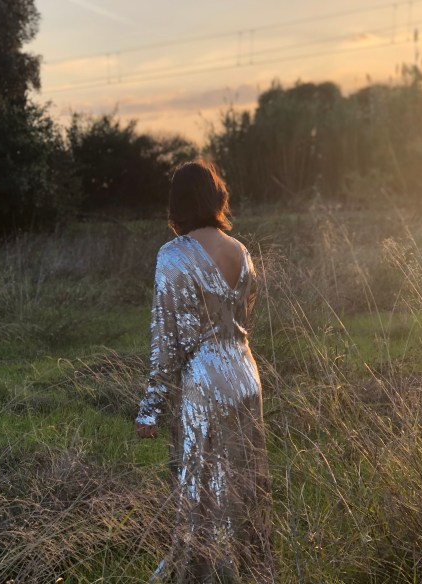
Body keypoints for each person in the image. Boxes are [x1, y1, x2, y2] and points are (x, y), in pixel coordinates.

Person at [135, 159, 275, 583]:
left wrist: (150, 407)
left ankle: (204, 572)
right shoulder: (241, 251)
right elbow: (245, 320)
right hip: (246, 374)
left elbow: (166, 339)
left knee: (200, 482)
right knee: (243, 481)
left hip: (204, 380)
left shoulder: (173, 255)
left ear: (177, 203)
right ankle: (248, 570)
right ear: (217, 197)